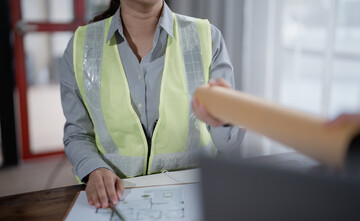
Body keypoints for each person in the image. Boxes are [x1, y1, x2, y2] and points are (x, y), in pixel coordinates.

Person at [60, 0, 245, 209]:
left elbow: (228, 142)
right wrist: (94, 169)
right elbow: (77, 133)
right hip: (117, 199)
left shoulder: (207, 37)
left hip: (194, 198)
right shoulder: (81, 45)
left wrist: (228, 117)